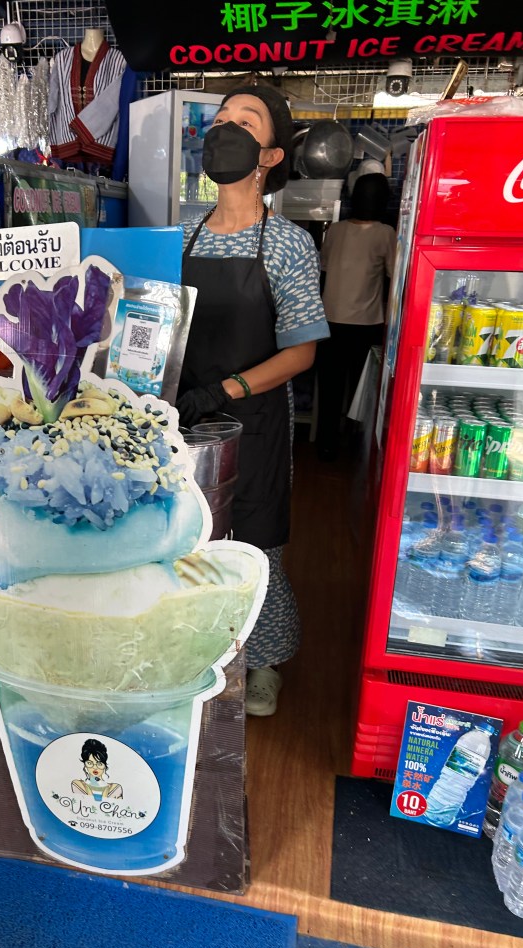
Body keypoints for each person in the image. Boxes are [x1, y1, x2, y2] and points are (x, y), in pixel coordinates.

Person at [176, 82, 329, 717]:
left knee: (256, 540)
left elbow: (301, 353)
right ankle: (199, 650)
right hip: (182, 415)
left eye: (246, 121)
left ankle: (265, 661)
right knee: (187, 537)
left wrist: (225, 390)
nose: (226, 129)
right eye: (221, 119)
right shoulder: (181, 236)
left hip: (254, 417)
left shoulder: (287, 243)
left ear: (269, 156)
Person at [315, 173, 397, 461]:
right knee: (360, 391)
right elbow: (394, 278)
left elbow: (324, 273)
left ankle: (326, 444)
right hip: (367, 324)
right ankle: (355, 445)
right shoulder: (386, 234)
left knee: (330, 387)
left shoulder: (335, 231)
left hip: (329, 320)